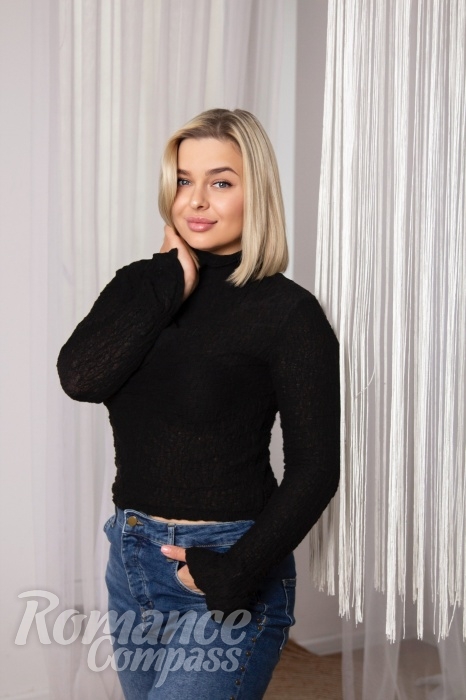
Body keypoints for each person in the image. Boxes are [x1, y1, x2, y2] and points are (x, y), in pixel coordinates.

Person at [57, 108, 340, 699]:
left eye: (221, 182)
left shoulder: (288, 313)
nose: (197, 200)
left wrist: (235, 571)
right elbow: (81, 377)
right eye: (184, 180)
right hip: (131, 557)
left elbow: (316, 469)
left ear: (256, 192)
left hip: (226, 560)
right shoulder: (141, 286)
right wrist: (168, 279)